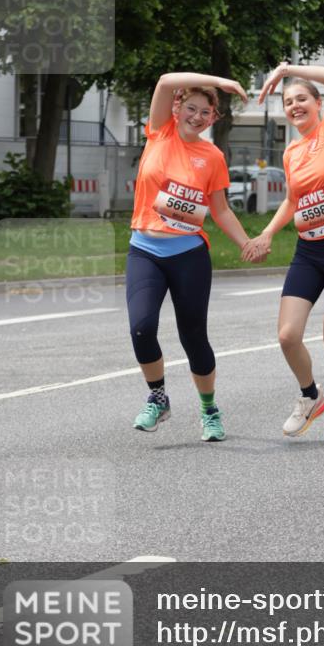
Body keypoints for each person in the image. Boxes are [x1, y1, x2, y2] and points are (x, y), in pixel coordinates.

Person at [243, 62, 324, 443]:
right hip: (308, 250)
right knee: (287, 335)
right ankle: (311, 396)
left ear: (319, 104)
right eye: (288, 101)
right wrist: (266, 233)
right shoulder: (292, 152)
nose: (295, 105)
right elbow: (292, 201)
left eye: (302, 99)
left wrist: (284, 69)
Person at [128, 72, 252, 441]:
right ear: (178, 108)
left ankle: (209, 408)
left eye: (205, 112)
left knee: (193, 336)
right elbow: (166, 80)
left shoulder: (212, 156)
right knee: (141, 328)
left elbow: (221, 210)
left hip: (188, 255)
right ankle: (158, 396)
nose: (196, 117)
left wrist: (246, 242)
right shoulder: (158, 132)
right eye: (191, 108)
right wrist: (223, 83)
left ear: (213, 118)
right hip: (145, 250)